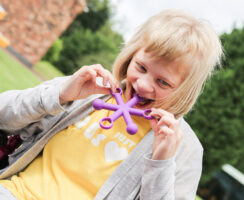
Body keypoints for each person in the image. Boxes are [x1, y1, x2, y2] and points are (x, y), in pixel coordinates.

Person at [0, 9, 223, 200]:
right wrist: (59, 95)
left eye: (163, 82)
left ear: (185, 90)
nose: (143, 85)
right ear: (130, 56)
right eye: (142, 68)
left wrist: (162, 163)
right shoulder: (88, 91)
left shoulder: (185, 149)